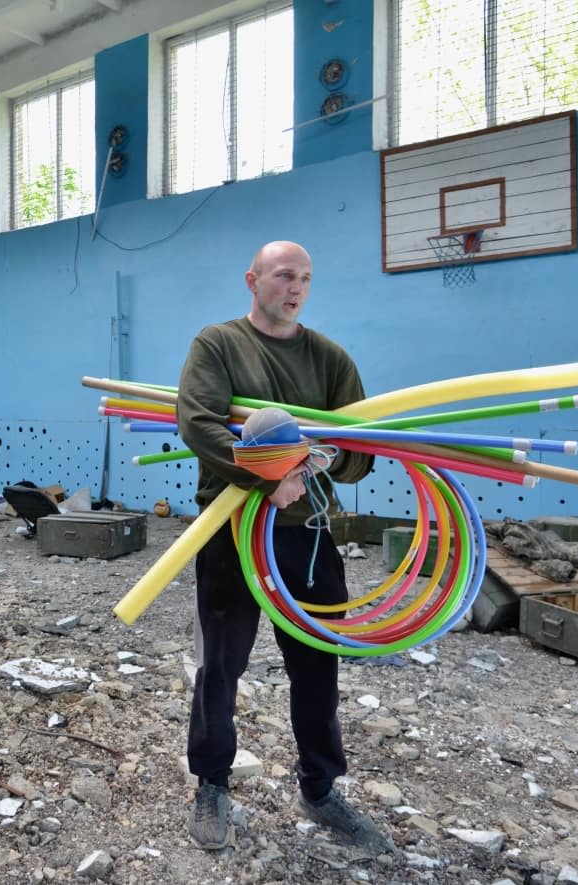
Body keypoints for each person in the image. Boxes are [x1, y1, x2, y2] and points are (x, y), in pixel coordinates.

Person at [176, 240, 395, 856]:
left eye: (304, 277)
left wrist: (318, 457)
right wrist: (269, 475)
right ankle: (212, 783)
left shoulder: (330, 359)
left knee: (316, 662)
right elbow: (197, 422)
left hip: (309, 532)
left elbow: (362, 450)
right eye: (282, 275)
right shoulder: (217, 344)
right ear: (253, 280)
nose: (294, 286)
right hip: (232, 529)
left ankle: (321, 789)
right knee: (221, 663)